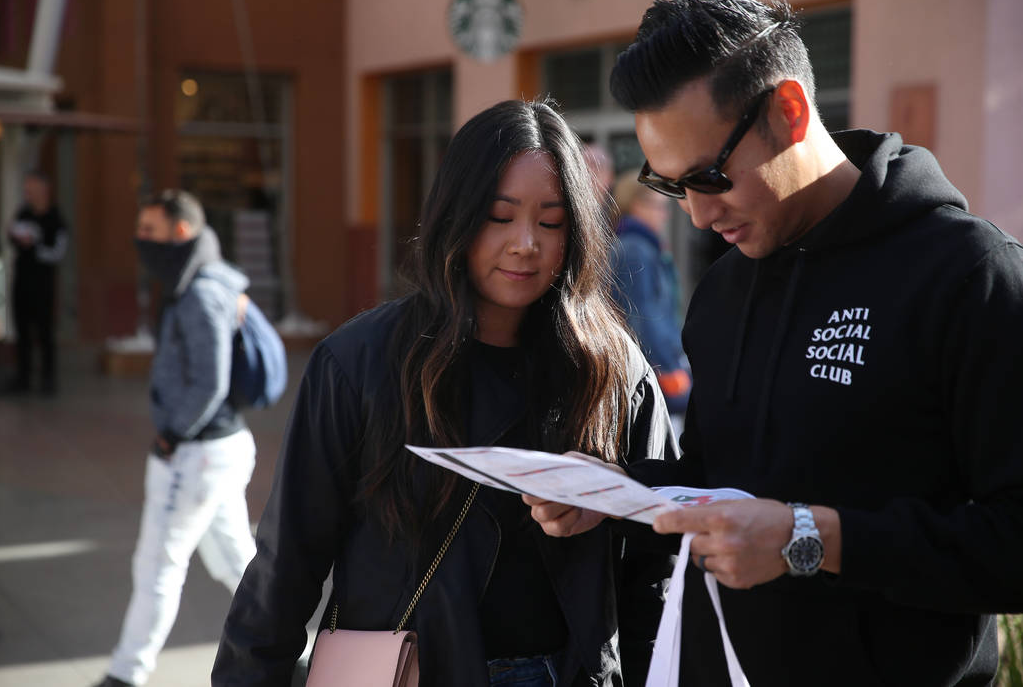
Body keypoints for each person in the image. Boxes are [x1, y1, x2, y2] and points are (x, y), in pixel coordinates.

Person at [526, 0, 1023, 686]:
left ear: (791, 112)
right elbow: (720, 481)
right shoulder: (724, 290)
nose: (703, 216)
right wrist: (618, 491)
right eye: (673, 185)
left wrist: (815, 539)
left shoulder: (969, 275)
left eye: (711, 177)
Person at [212, 100, 677, 687]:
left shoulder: (613, 369)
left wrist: (611, 503)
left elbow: (658, 557)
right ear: (455, 216)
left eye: (551, 221)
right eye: (499, 216)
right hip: (407, 673)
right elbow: (290, 560)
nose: (525, 243)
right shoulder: (360, 362)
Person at [93, 190, 257, 687]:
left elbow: (211, 380)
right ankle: (301, 653)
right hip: (220, 450)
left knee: (158, 567)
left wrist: (171, 435)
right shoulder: (205, 278)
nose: (140, 240)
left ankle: (126, 673)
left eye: (150, 230)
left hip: (199, 453)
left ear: (180, 232)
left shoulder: (201, 291)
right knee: (236, 561)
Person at [609, 170, 691, 428]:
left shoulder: (634, 244)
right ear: (636, 204)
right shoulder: (636, 249)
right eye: (659, 207)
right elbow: (643, 316)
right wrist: (666, 366)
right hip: (654, 369)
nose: (664, 216)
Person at [5, 171, 68, 394]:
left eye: (32, 189)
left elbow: (58, 253)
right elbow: (11, 234)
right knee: (22, 330)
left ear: (44, 189)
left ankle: (48, 380)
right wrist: (17, 238)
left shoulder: (55, 219)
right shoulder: (23, 213)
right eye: (26, 190)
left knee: (44, 332)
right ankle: (23, 379)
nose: (28, 193)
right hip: (22, 281)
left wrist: (35, 245)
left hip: (43, 284)